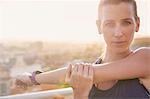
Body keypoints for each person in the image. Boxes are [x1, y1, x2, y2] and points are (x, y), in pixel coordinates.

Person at [13, 0, 150, 99]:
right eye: (109, 23)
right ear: (99, 26)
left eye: (126, 22)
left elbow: (76, 73)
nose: (118, 33)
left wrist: (33, 78)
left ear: (137, 24)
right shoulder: (85, 74)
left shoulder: (146, 58)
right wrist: (80, 94)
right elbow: (74, 73)